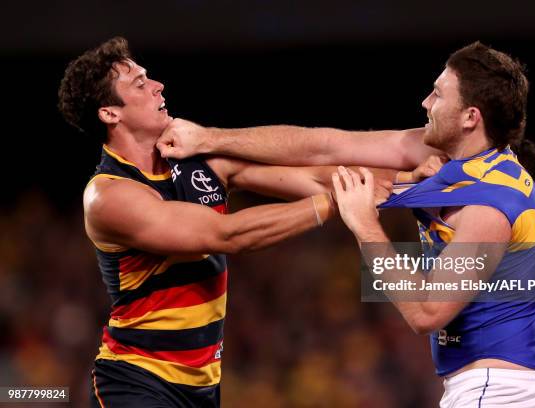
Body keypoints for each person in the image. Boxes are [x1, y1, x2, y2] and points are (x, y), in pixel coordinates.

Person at [159, 42, 535, 407]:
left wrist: (365, 227)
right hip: (510, 386)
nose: (426, 102)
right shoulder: (475, 170)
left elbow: (427, 312)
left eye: (439, 95)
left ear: (470, 118)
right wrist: (209, 140)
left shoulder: (490, 205)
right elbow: (325, 147)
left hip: (494, 392)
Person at [57, 37, 431, 408]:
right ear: (110, 113)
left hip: (203, 386)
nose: (158, 86)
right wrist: (336, 202)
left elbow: (318, 175)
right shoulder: (107, 196)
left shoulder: (196, 159)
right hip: (135, 379)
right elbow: (227, 234)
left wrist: (411, 179)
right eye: (140, 84)